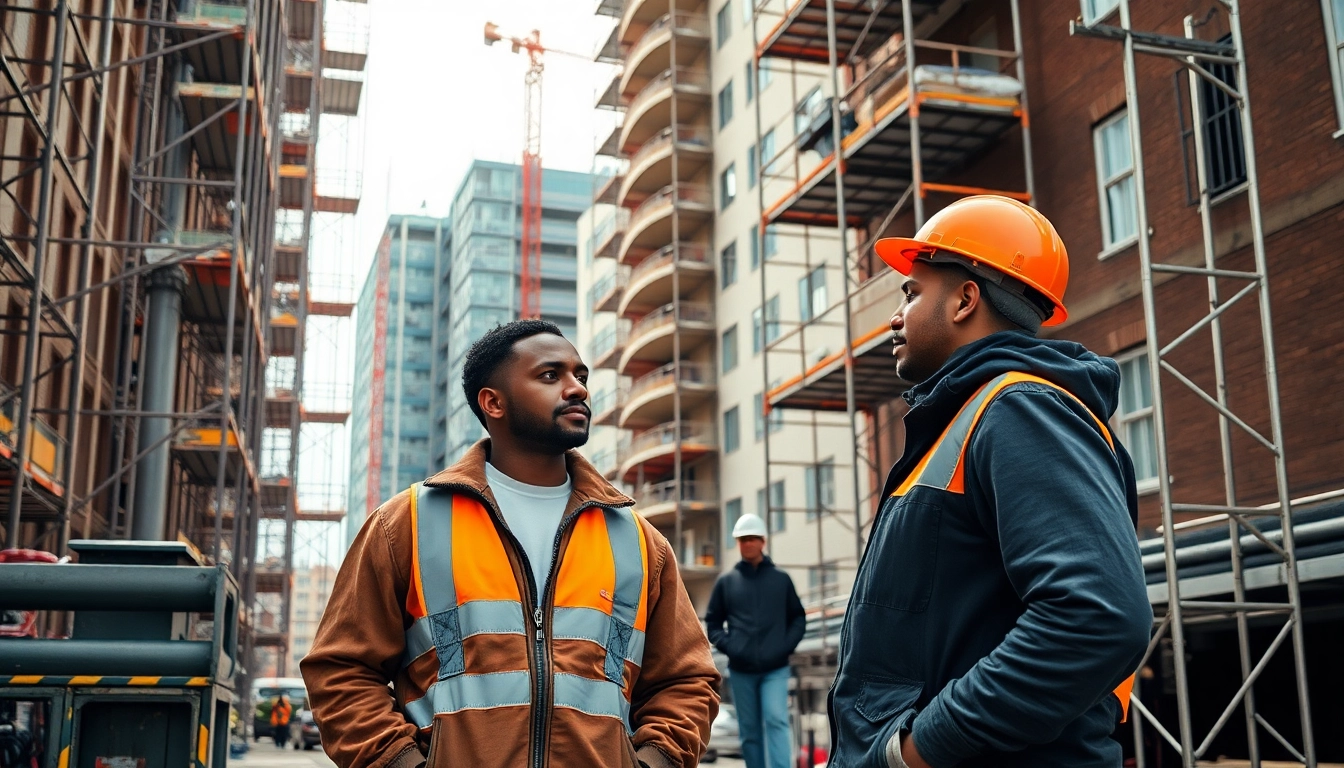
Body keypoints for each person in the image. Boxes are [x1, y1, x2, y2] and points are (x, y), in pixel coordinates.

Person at [303, 320, 719, 768]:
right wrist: (401, 763)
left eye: (580, 375)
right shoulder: (406, 524)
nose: (577, 388)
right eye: (550, 375)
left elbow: (687, 680)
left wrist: (654, 762)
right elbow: (342, 671)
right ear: (493, 402)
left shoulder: (639, 541)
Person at [829, 196, 1151, 768]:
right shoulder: (970, 418)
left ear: (965, 300)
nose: (895, 317)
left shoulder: (1019, 411)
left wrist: (916, 751)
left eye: (912, 293)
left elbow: (1097, 617)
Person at [704, 514, 805, 768]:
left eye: (752, 538)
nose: (748, 543)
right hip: (741, 671)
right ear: (738, 543)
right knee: (749, 730)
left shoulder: (781, 580)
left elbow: (798, 618)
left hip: (776, 669)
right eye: (743, 539)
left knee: (775, 719)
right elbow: (713, 624)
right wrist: (733, 648)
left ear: (763, 541)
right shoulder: (726, 582)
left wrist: (784, 647)